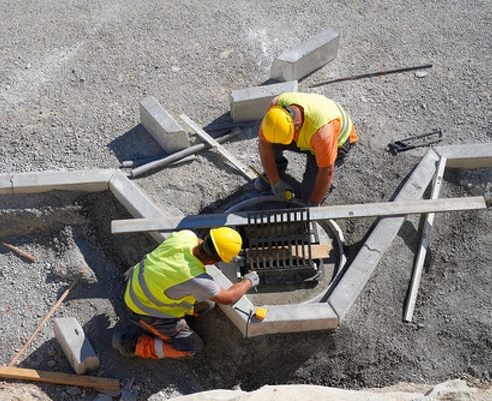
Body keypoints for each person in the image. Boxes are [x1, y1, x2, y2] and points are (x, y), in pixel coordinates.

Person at [112, 227, 259, 359]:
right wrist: (249, 280)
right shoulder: (197, 279)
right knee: (193, 348)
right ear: (216, 261)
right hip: (141, 310)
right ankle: (131, 344)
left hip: (137, 282)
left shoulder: (185, 236)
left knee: (207, 304)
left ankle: (178, 319)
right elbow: (228, 298)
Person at [256, 92, 359, 205]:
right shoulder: (275, 111)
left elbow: (326, 172)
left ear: (297, 125)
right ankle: (277, 169)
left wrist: (312, 205)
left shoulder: (322, 133)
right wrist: (274, 181)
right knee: (273, 141)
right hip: (308, 137)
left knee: (309, 197)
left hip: (335, 143)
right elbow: (264, 144)